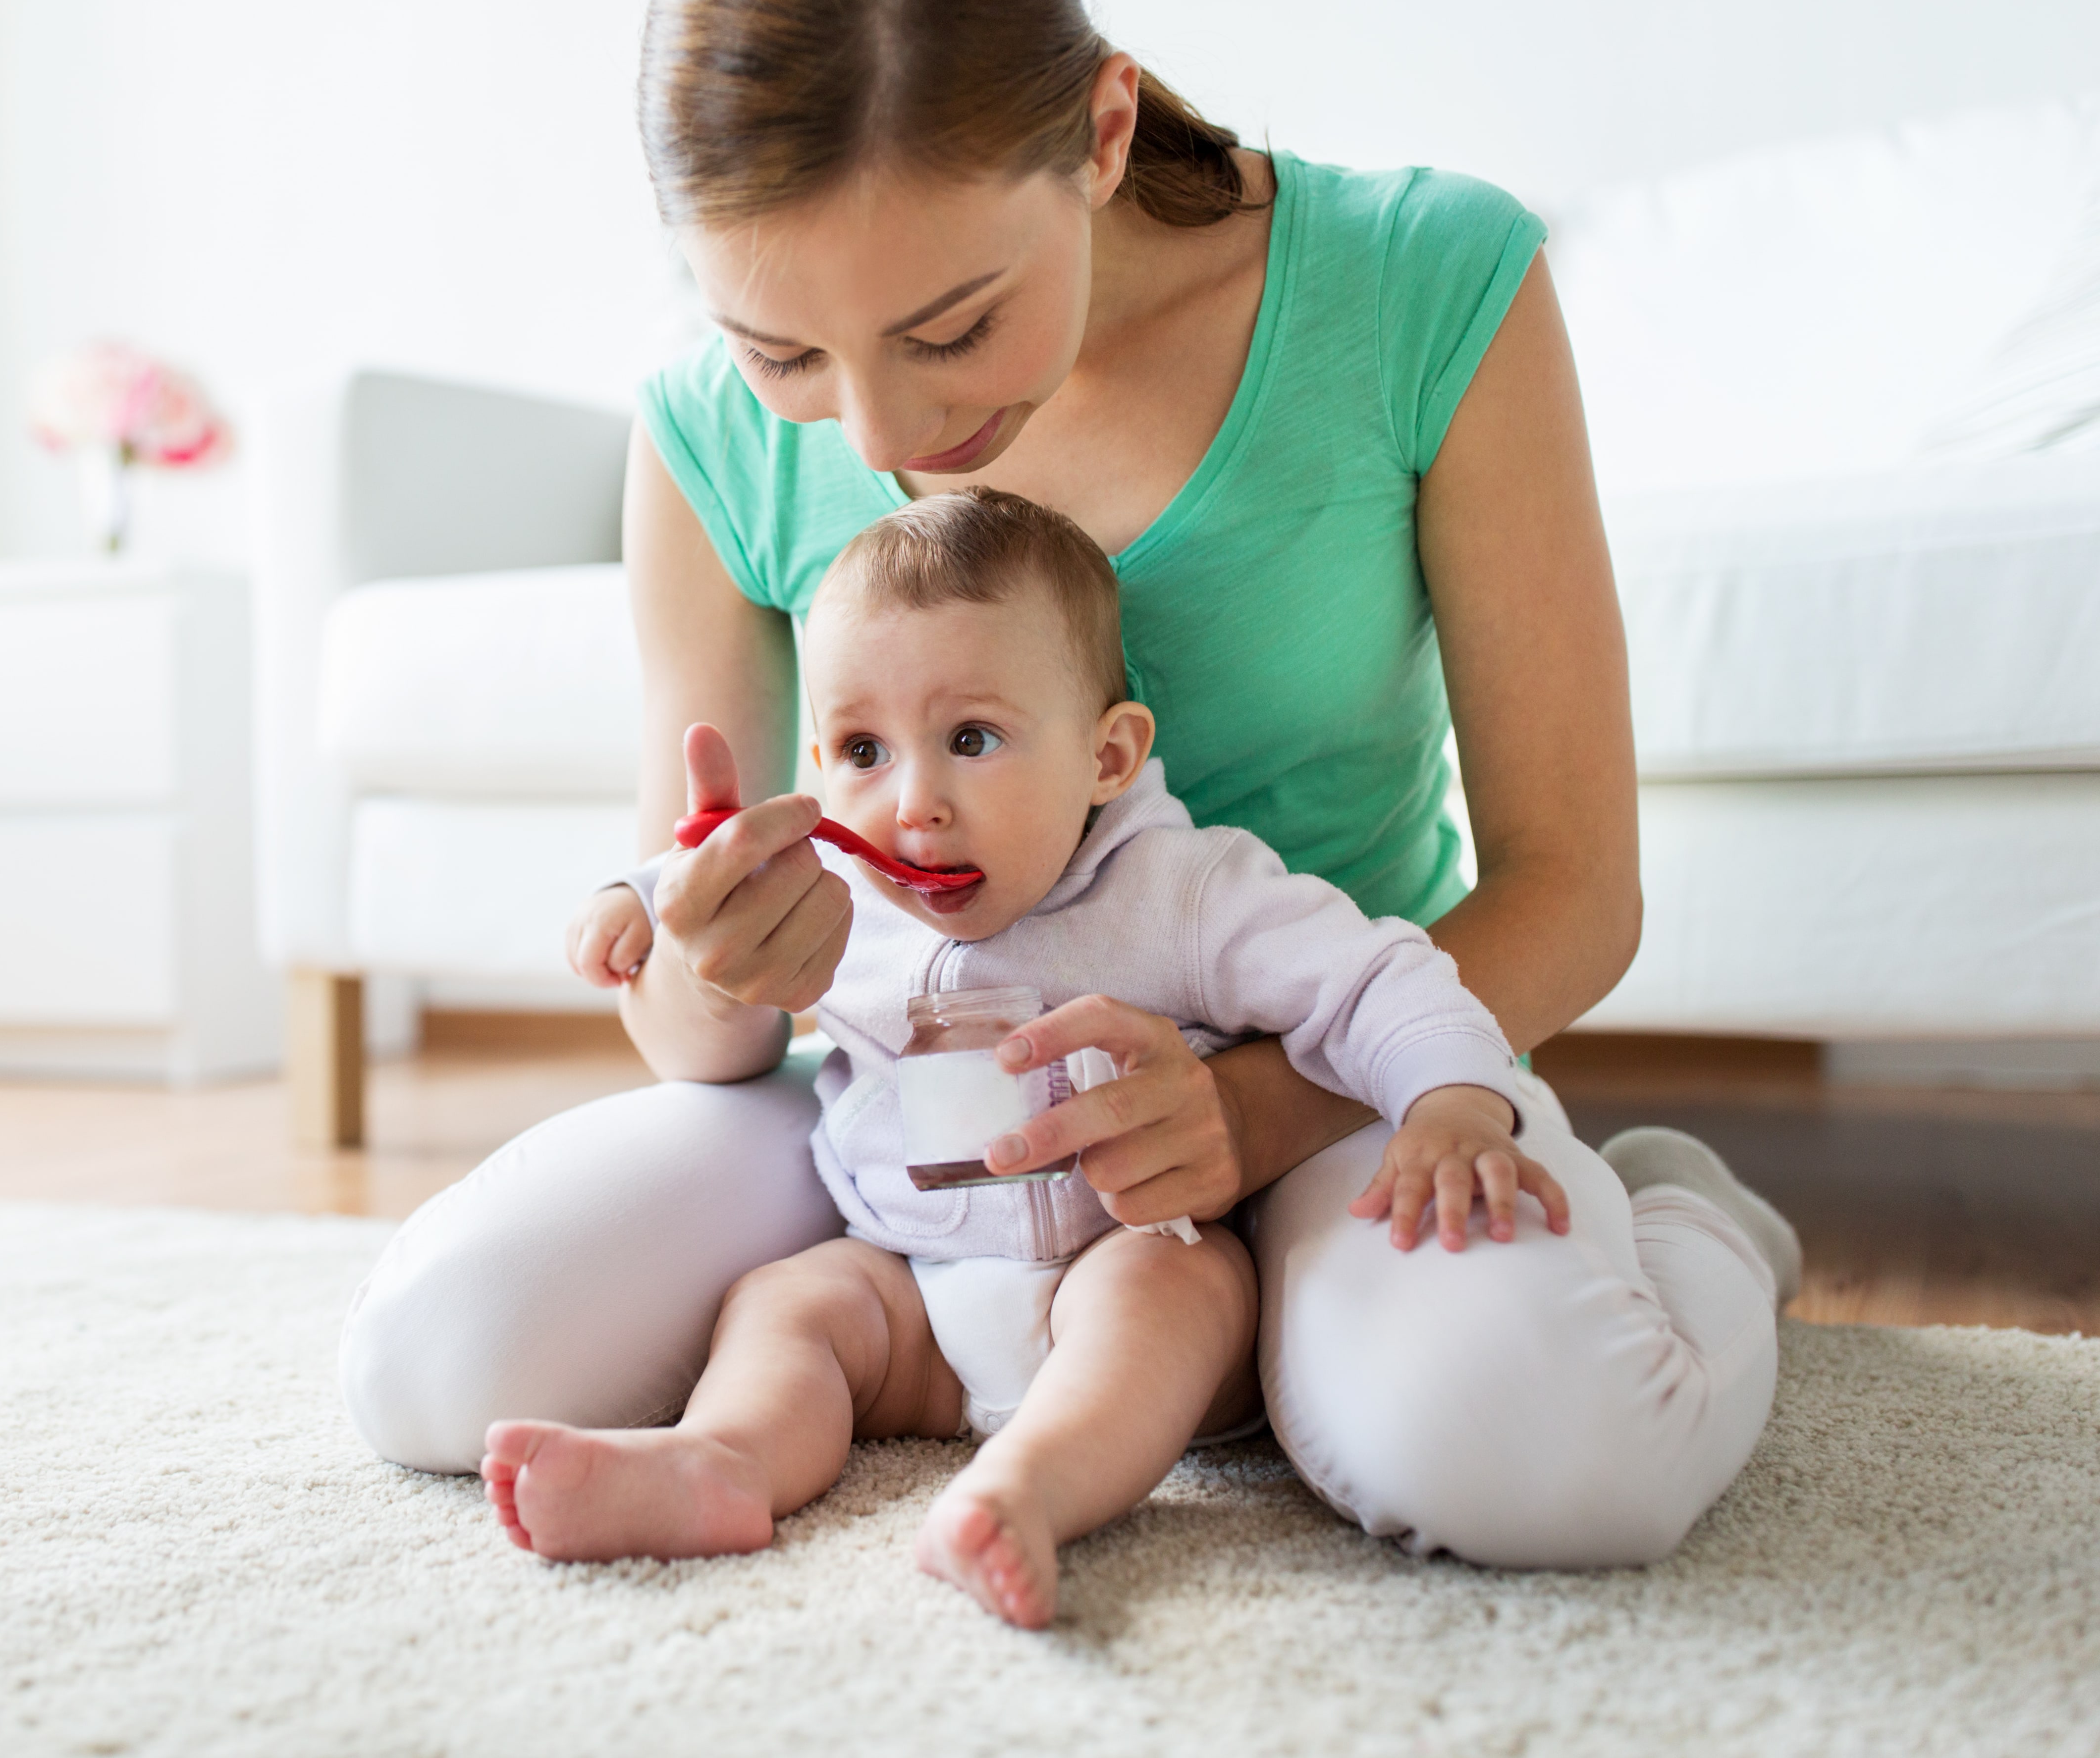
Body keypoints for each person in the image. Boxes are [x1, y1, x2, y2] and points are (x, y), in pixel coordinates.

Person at [343, 0, 1803, 1569]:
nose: (878, 433)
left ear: (1104, 132)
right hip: (905, 1114)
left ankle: (1691, 1217)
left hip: (1341, 1084)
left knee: (1545, 1463)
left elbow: (1578, 886)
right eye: (784, 354)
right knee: (434, 1367)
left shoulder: (1426, 283)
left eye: (950, 326)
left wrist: (1245, 1114)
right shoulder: (699, 442)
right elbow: (700, 1026)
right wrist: (716, 960)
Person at [485, 489, 1563, 1631]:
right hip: (908, 1294)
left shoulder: (1184, 893)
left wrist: (1454, 1099)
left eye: (972, 740)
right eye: (862, 750)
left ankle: (1025, 1492)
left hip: (1118, 1265)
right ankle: (724, 1462)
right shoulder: (836, 894)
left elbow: (1372, 977)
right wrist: (634, 903)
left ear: (1106, 756)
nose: (915, 805)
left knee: (1178, 1290)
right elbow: (703, 867)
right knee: (787, 1303)